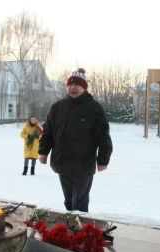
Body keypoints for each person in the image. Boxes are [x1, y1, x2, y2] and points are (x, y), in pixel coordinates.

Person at [38, 68, 113, 212]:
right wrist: (43, 152)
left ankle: (80, 230)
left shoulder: (94, 108)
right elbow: (48, 132)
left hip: (83, 164)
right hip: (62, 162)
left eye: (77, 85)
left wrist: (103, 159)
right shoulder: (57, 107)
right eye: (70, 85)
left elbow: (103, 136)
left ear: (84, 87)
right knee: (68, 200)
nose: (72, 88)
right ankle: (71, 228)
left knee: (80, 202)